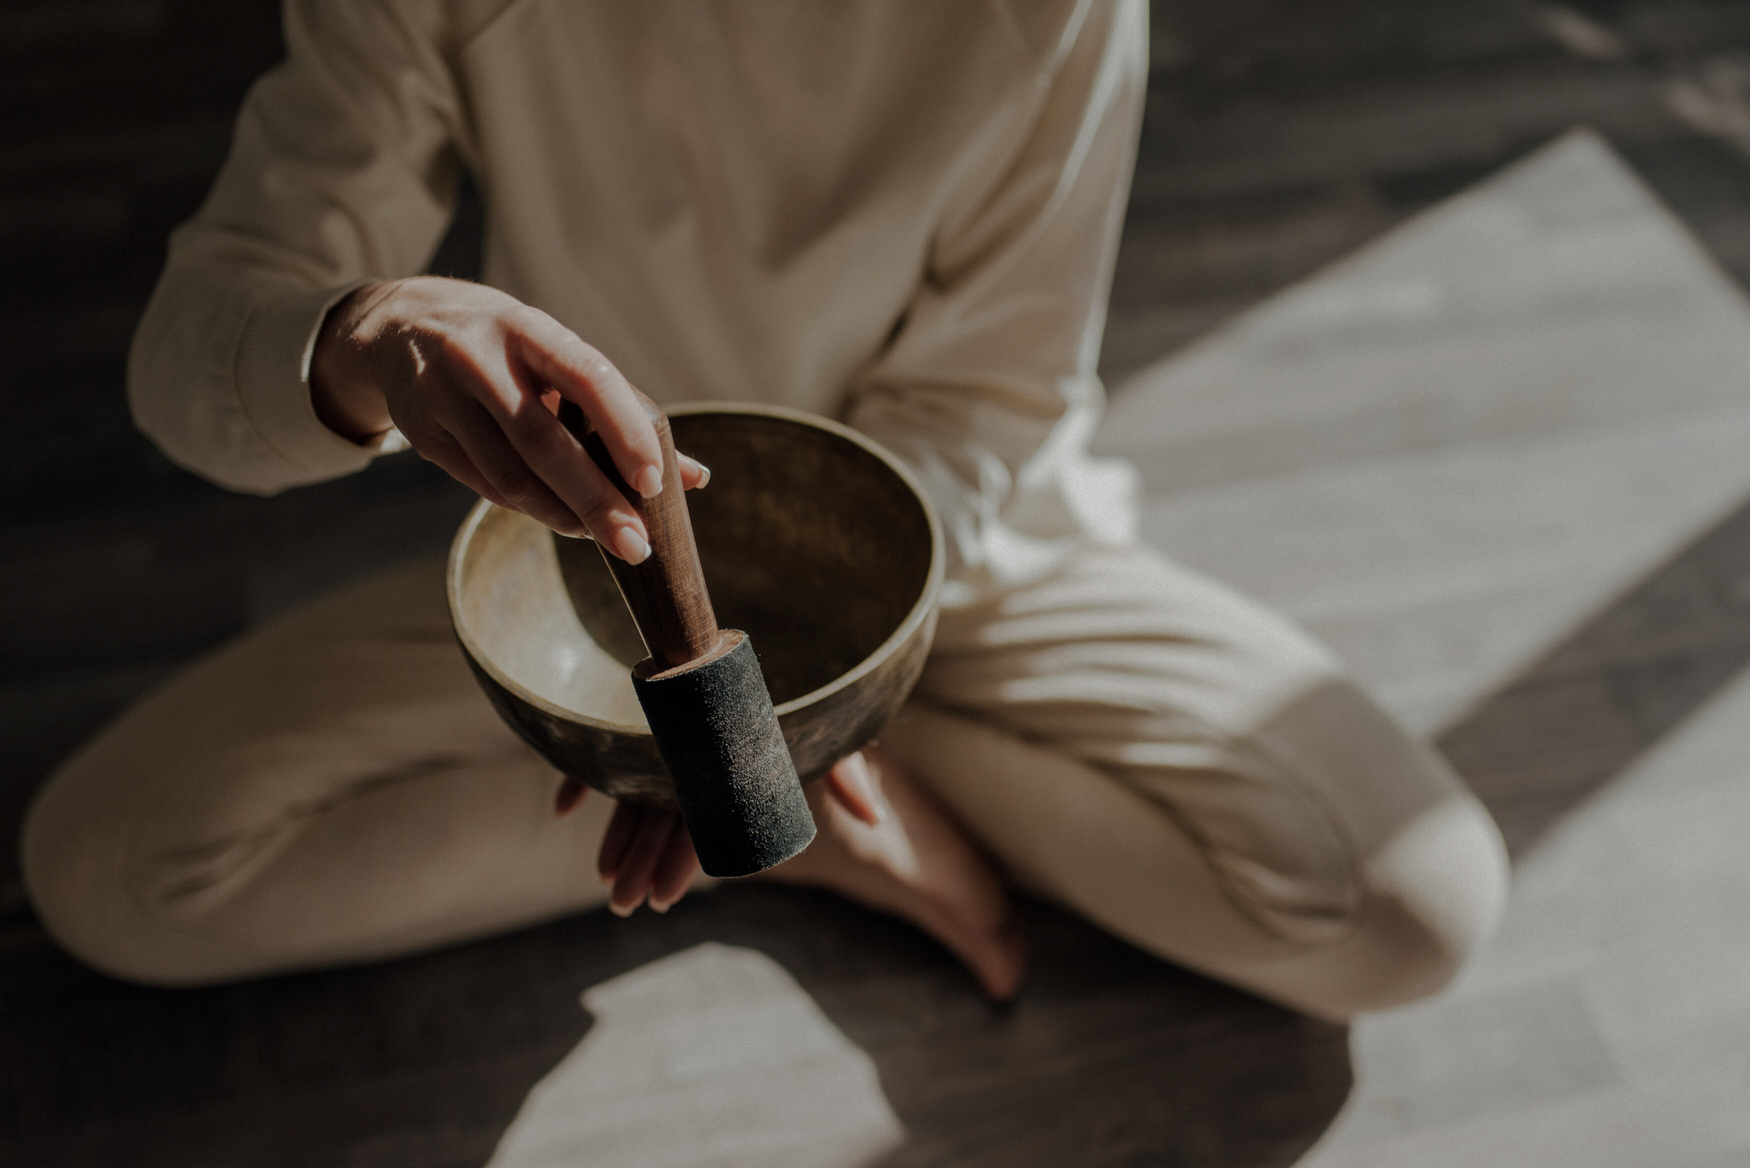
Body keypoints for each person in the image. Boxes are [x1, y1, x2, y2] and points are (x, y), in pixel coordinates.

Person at [20, 0, 1508, 1020]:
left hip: (952, 551)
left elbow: (984, 402)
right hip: (595, 596)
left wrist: (765, 720)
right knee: (114, 873)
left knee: (1406, 905)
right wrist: (363, 333)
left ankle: (775, 803)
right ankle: (805, 825)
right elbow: (191, 352)